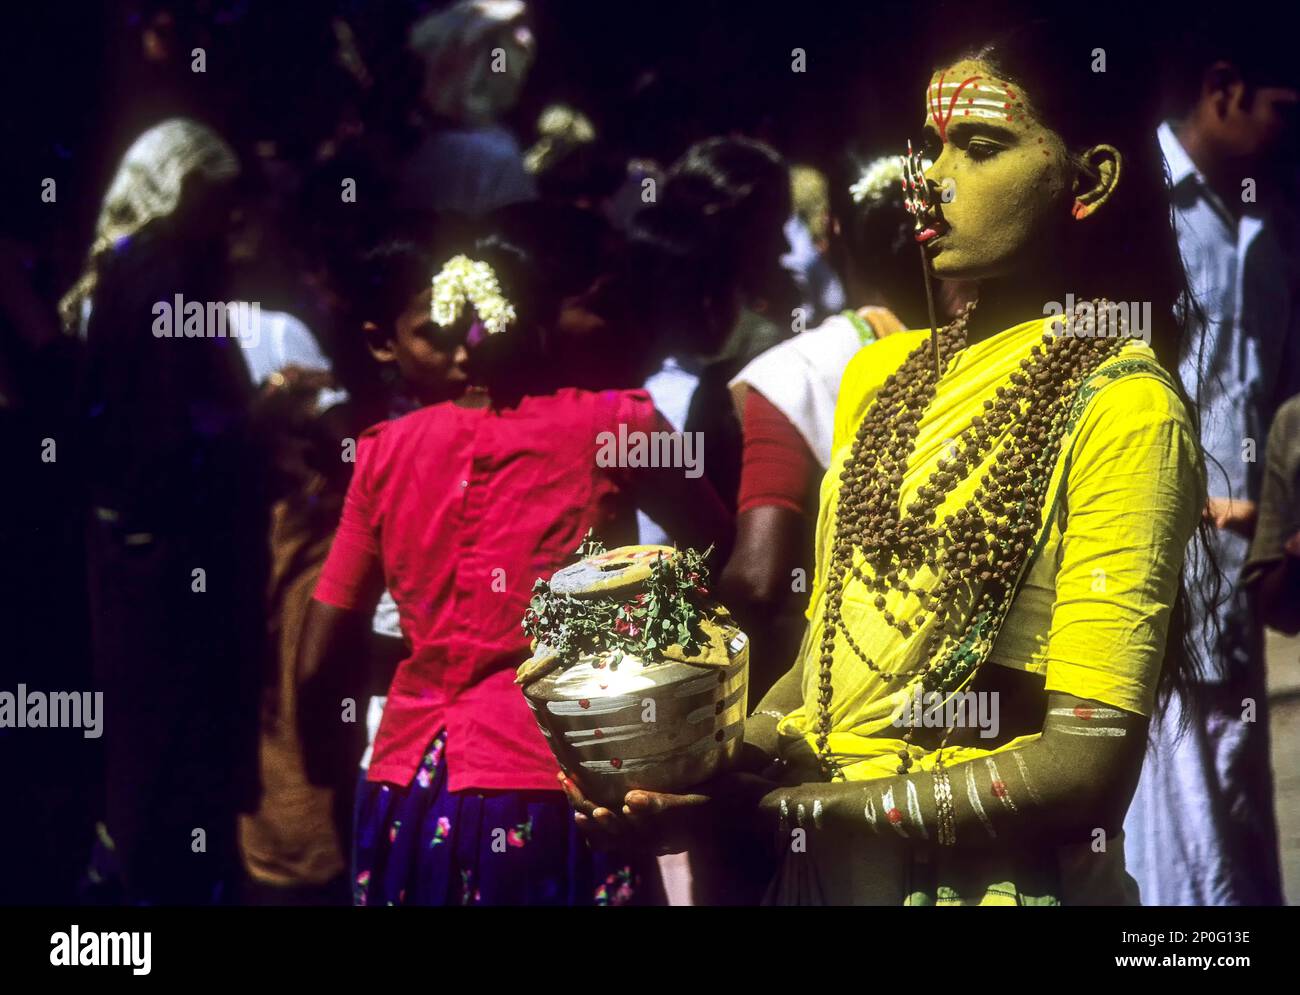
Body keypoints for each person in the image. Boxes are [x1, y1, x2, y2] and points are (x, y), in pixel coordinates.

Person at [569, 21, 1208, 906]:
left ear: (1090, 180)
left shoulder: (1124, 405)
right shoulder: (880, 375)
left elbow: (1086, 764)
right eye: (934, 146)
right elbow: (820, 667)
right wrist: (699, 774)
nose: (934, 180)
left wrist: (805, 810)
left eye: (981, 148)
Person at [295, 209, 733, 906]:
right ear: (543, 316)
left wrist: (337, 779)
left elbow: (317, 657)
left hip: (407, 784)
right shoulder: (618, 423)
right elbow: (717, 543)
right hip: (558, 783)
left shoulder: (383, 450)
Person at [1122, 21, 1300, 906]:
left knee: (1233, 813)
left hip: (1240, 580)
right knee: (1171, 831)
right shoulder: (1132, 206)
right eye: (1283, 110)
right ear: (1224, 87)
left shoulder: (1273, 227)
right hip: (1151, 575)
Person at [74, 119, 266, 904]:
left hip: (130, 541)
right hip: (166, 553)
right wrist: (260, 422)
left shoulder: (123, 266)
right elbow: (170, 421)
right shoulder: (163, 272)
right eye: (213, 202)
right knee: (169, 742)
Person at [724, 154, 975, 703]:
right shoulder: (990, 354)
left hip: (825, 679)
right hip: (958, 675)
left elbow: (758, 578)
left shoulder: (797, 370)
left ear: (836, 237)